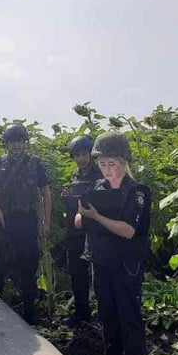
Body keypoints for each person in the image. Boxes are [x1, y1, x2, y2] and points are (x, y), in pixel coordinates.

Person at [76, 131, 151, 355]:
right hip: (101, 261)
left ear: (123, 162)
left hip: (126, 264)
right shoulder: (96, 188)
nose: (107, 170)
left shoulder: (137, 192)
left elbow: (129, 231)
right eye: (102, 164)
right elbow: (78, 223)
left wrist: (97, 216)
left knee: (128, 319)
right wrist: (84, 212)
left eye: (112, 164)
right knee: (107, 318)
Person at [0, 123, 51, 324]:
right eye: (13, 142)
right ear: (7, 144)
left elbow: (45, 193)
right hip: (3, 221)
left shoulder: (35, 164)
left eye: (20, 141)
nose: (17, 146)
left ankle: (29, 312)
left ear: (25, 143)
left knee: (29, 265)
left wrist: (45, 221)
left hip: (26, 220)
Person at [60, 135, 102, 325]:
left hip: (95, 230)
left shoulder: (100, 175)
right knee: (77, 273)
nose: (81, 159)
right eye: (77, 155)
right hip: (75, 230)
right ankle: (81, 312)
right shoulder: (74, 177)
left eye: (84, 154)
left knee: (99, 275)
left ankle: (103, 314)